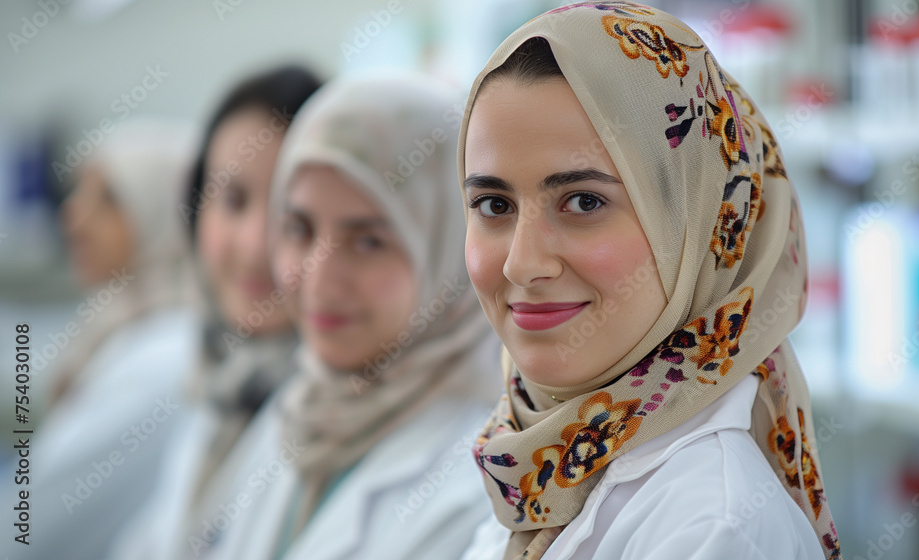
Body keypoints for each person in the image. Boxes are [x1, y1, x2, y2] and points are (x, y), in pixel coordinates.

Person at [457, 3, 840, 559]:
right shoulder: (523, 462)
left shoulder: (716, 529)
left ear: (703, 226)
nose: (521, 264)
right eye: (493, 204)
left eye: (583, 201)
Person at [187, 75, 502, 560]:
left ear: (449, 253)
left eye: (368, 240)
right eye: (299, 228)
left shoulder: (484, 476)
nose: (318, 279)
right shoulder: (297, 411)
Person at [105, 65, 322, 560]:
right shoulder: (217, 381)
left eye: (293, 212)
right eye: (233, 199)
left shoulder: (343, 412)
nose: (254, 244)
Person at [1, 118, 200, 560]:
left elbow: (25, 527)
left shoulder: (168, 350)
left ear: (164, 212)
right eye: (77, 192)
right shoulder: (110, 324)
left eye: (107, 199)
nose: (73, 215)